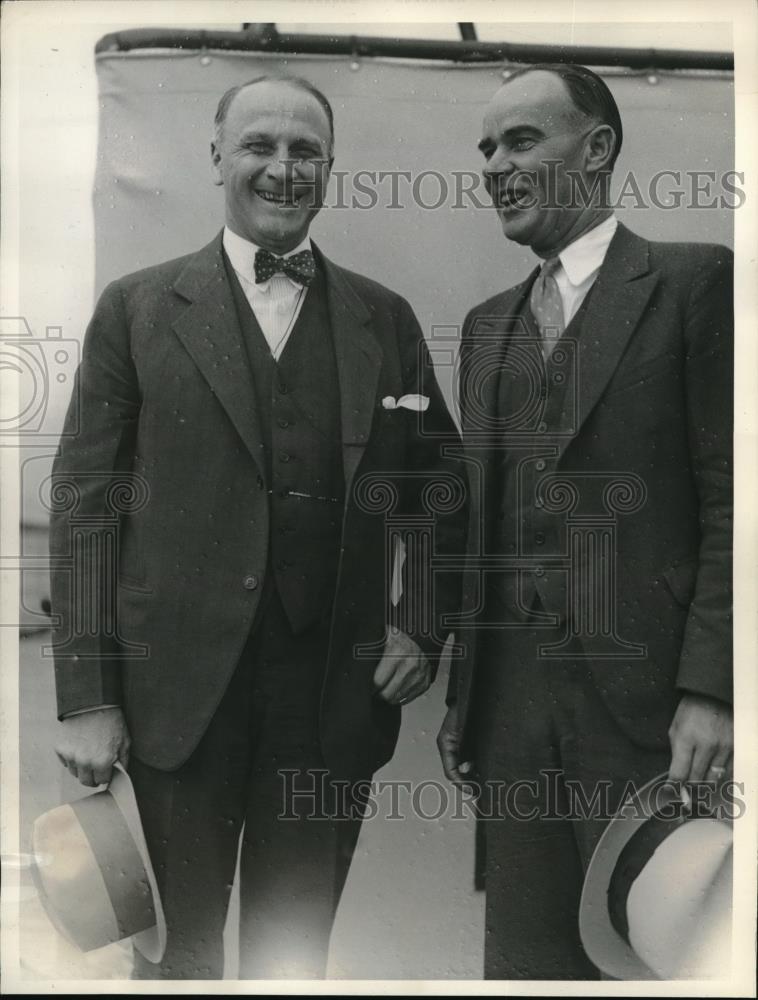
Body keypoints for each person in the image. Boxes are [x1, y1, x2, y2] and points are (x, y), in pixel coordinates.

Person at [50, 74, 465, 980]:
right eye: (259, 146)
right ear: (216, 158)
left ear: (328, 168)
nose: (282, 169)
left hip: (326, 703)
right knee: (174, 957)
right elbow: (86, 501)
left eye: (304, 151)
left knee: (295, 957)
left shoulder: (383, 319)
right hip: (175, 705)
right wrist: (87, 696)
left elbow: (438, 486)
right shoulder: (136, 307)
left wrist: (419, 623)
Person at [437, 63, 733, 979]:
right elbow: (484, 528)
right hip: (511, 717)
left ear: (597, 149)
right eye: (487, 148)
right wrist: (464, 698)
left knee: (660, 952)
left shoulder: (695, 285)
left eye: (521, 140)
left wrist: (714, 688)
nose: (495, 165)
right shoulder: (487, 327)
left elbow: (739, 498)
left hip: (651, 713)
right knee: (526, 964)